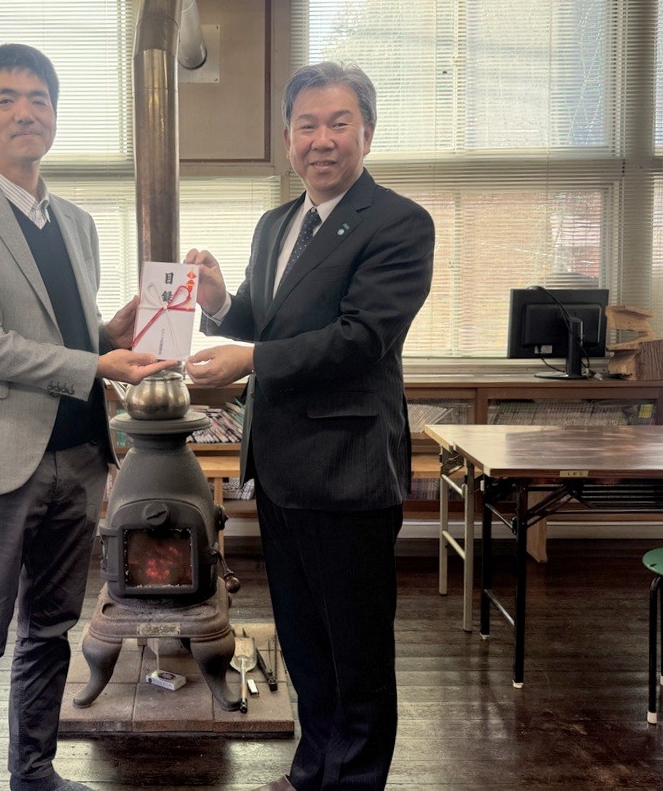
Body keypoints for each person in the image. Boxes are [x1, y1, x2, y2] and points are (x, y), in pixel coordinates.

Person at [0, 43, 174, 791]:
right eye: (7, 99)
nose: (26, 112)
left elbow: (68, 336)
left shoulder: (77, 224)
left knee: (51, 630)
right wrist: (96, 365)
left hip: (79, 456)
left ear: (55, 116)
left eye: (39, 99)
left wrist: (117, 332)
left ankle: (35, 773)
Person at [184, 62, 435, 790]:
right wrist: (219, 301)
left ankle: (352, 781)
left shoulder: (399, 222)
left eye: (338, 123)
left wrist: (251, 358)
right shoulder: (275, 224)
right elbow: (266, 319)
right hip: (280, 467)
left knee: (355, 648)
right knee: (301, 640)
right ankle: (310, 773)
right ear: (288, 137)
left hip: (348, 467)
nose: (321, 140)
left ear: (367, 133)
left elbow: (362, 338)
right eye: (306, 125)